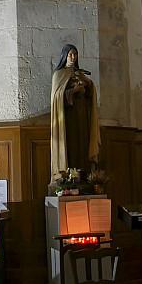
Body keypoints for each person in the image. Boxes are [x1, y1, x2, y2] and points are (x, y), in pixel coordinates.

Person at [50, 44, 100, 182]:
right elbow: (56, 98)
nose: (73, 57)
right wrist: (73, 91)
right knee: (71, 147)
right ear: (64, 56)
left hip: (82, 116)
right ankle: (69, 177)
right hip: (68, 119)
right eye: (70, 54)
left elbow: (90, 95)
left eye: (75, 54)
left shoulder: (80, 73)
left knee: (83, 144)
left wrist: (88, 86)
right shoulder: (59, 74)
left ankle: (84, 176)